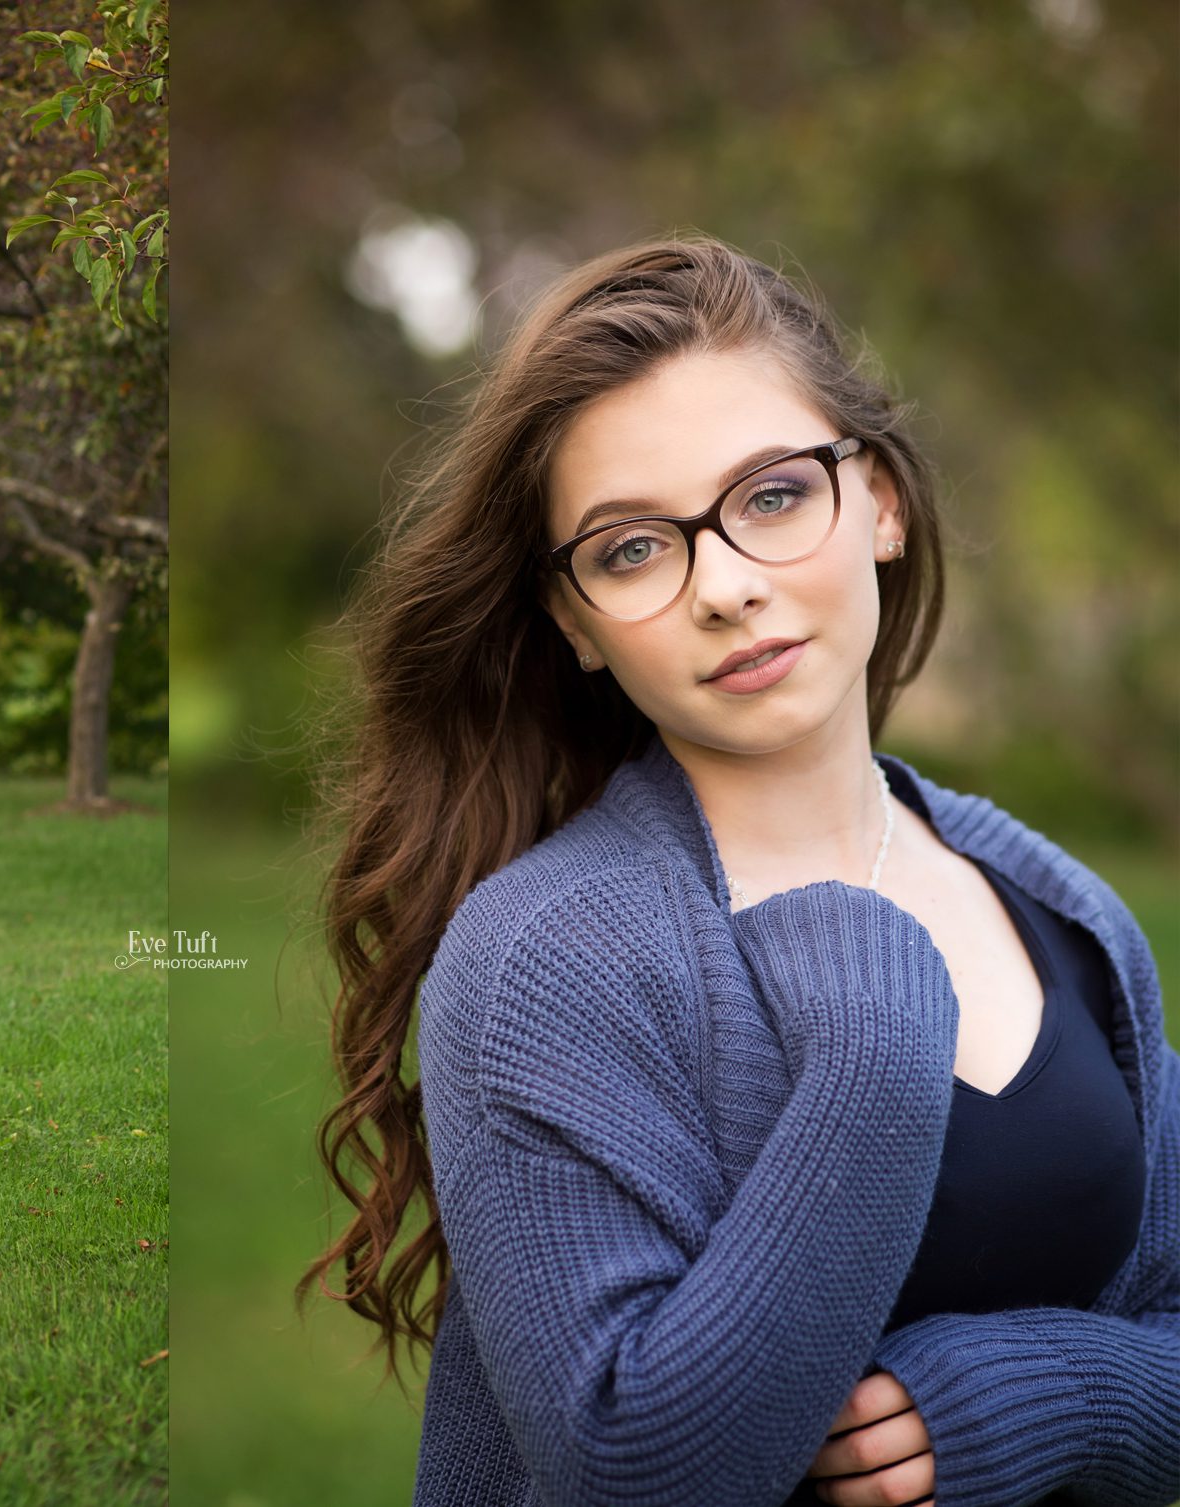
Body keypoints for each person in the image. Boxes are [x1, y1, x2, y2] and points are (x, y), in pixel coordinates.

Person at [296, 235, 1178, 1506]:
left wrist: (1049, 1392)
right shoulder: (541, 959)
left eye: (769, 496)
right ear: (574, 622)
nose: (721, 587)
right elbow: (628, 1468)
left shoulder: (1060, 905)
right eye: (630, 549)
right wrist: (874, 1046)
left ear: (878, 504)